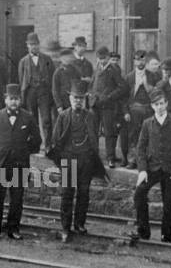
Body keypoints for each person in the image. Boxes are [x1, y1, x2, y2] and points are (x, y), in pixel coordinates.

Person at [0, 84, 42, 241]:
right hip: (1, 164)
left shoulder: (28, 118)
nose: (13, 102)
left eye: (16, 99)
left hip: (19, 165)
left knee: (16, 199)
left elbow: (37, 141)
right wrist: (2, 151)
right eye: (11, 99)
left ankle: (13, 229)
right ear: (5, 99)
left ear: (20, 100)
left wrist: (22, 150)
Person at [50, 78, 107, 242]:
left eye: (81, 98)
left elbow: (94, 139)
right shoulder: (63, 117)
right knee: (67, 194)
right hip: (69, 161)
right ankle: (65, 227)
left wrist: (93, 158)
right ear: (70, 99)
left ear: (85, 100)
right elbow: (55, 140)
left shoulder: (90, 117)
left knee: (84, 194)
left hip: (86, 161)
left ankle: (79, 224)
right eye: (75, 98)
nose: (78, 101)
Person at [132, 87, 171, 243]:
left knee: (168, 204)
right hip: (152, 168)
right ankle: (143, 232)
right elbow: (141, 148)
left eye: (162, 103)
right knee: (139, 194)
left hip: (170, 168)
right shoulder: (147, 124)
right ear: (152, 106)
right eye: (156, 104)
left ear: (166, 104)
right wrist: (142, 170)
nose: (159, 107)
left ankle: (167, 237)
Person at [120, 49, 159, 169]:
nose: (140, 62)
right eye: (138, 59)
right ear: (134, 61)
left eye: (142, 59)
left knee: (149, 134)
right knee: (133, 136)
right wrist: (126, 112)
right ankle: (133, 160)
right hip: (134, 110)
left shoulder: (153, 76)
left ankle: (147, 160)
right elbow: (124, 97)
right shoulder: (129, 77)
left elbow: (157, 95)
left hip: (148, 109)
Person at [91, 46, 127, 167]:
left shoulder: (114, 70)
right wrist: (91, 96)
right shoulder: (96, 69)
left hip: (108, 106)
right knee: (94, 131)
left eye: (104, 58)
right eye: (100, 58)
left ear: (108, 57)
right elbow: (92, 84)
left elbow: (122, 87)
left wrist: (110, 97)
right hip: (95, 105)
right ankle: (94, 158)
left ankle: (110, 157)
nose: (102, 61)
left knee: (109, 132)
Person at [18, 32, 55, 146]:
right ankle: (35, 143)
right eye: (31, 44)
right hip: (30, 92)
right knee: (32, 120)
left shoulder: (47, 59)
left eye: (35, 44)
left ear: (39, 45)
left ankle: (48, 144)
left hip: (44, 92)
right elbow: (21, 78)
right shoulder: (23, 61)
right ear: (27, 46)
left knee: (46, 120)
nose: (34, 46)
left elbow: (52, 75)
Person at [52, 48, 79, 113]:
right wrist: (59, 105)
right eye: (67, 57)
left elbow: (78, 85)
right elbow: (55, 90)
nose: (69, 59)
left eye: (70, 57)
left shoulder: (75, 70)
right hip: (63, 103)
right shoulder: (58, 72)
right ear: (62, 59)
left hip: (74, 102)